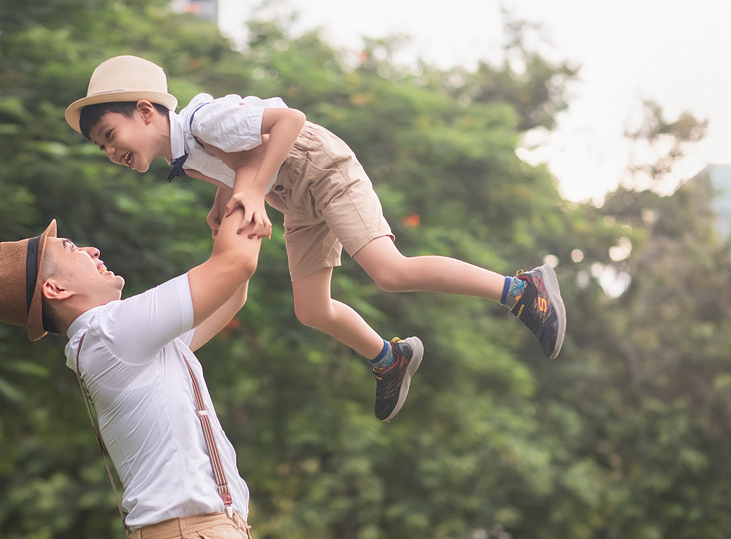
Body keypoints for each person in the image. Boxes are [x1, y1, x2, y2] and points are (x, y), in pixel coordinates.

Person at [64, 55, 566, 422]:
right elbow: (234, 165)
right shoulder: (184, 154)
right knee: (310, 308)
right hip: (294, 200)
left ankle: (523, 291)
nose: (111, 152)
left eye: (111, 136)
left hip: (321, 169)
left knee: (389, 270)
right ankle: (390, 360)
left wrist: (254, 191)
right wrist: (224, 204)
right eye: (101, 148)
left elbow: (289, 121)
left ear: (147, 112)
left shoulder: (204, 120)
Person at [0, 208, 268, 539]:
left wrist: (235, 208)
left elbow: (232, 292)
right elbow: (236, 265)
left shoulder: (124, 343)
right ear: (55, 288)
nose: (92, 250)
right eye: (71, 249)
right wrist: (244, 187)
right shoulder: (111, 333)